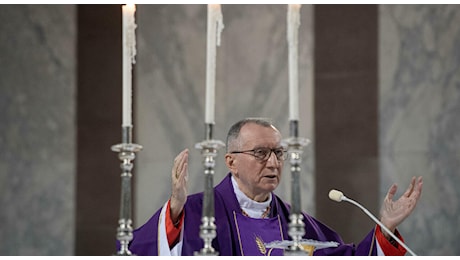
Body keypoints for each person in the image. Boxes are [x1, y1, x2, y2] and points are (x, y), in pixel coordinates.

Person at [125, 118, 423, 256]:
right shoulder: (195, 212)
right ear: (230, 161)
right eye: (260, 153)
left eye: (279, 153)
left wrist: (384, 228)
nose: (273, 163)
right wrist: (175, 211)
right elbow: (135, 251)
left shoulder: (297, 225)